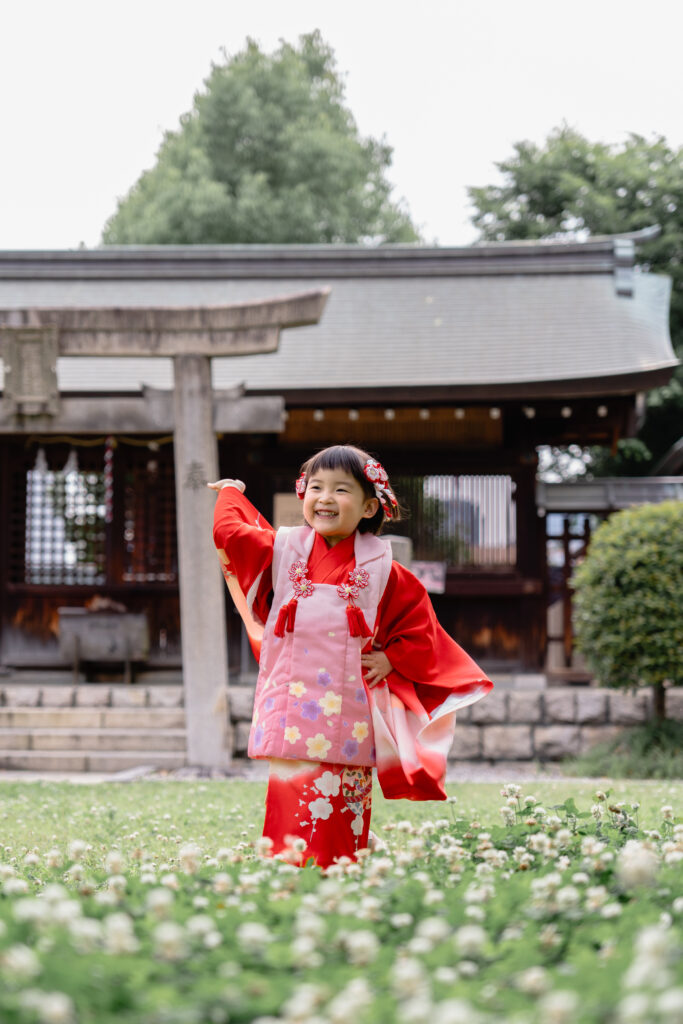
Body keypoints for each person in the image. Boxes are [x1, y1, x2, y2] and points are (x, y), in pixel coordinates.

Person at [209, 445, 493, 868]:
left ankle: (344, 858)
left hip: (350, 703)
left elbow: (420, 626)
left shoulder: (383, 568)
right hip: (292, 697)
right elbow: (231, 535)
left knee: (344, 789)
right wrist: (231, 493)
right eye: (315, 487)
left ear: (368, 507)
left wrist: (393, 659)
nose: (324, 498)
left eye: (341, 489)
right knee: (292, 782)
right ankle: (292, 863)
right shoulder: (282, 550)